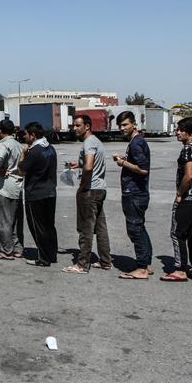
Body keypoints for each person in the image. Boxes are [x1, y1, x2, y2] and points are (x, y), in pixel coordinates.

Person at [63, 115, 111, 274]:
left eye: (78, 126)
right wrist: (77, 164)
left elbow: (89, 167)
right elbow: (89, 163)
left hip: (90, 190)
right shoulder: (96, 141)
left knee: (85, 228)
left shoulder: (89, 142)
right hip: (100, 189)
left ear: (87, 126)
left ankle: (82, 264)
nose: (74, 128)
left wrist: (83, 186)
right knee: (100, 226)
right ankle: (105, 261)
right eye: (74, 126)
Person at [161, 116, 192, 282]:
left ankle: (180, 269)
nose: (177, 132)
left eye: (181, 130)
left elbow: (188, 176)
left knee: (177, 232)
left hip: (189, 197)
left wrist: (179, 194)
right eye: (177, 129)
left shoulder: (188, 149)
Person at [113, 111, 152, 280]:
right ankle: (146, 264)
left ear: (134, 124)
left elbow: (143, 169)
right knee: (140, 228)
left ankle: (142, 268)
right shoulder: (136, 142)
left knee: (135, 229)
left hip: (134, 193)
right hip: (138, 192)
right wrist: (126, 159)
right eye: (120, 125)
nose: (122, 128)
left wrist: (123, 163)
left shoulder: (136, 143)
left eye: (125, 125)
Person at [18, 122, 58, 266]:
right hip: (50, 192)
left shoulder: (34, 151)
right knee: (49, 225)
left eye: (26, 134)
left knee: (37, 226)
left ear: (33, 135)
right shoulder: (50, 148)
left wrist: (22, 154)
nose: (24, 136)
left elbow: (22, 170)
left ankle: (44, 258)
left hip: (35, 194)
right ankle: (51, 254)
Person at [0, 119, 24, 259]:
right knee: (14, 221)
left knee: (2, 220)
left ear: (0, 131)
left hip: (4, 187)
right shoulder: (18, 145)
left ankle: (6, 250)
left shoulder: (4, 144)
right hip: (17, 185)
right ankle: (17, 248)